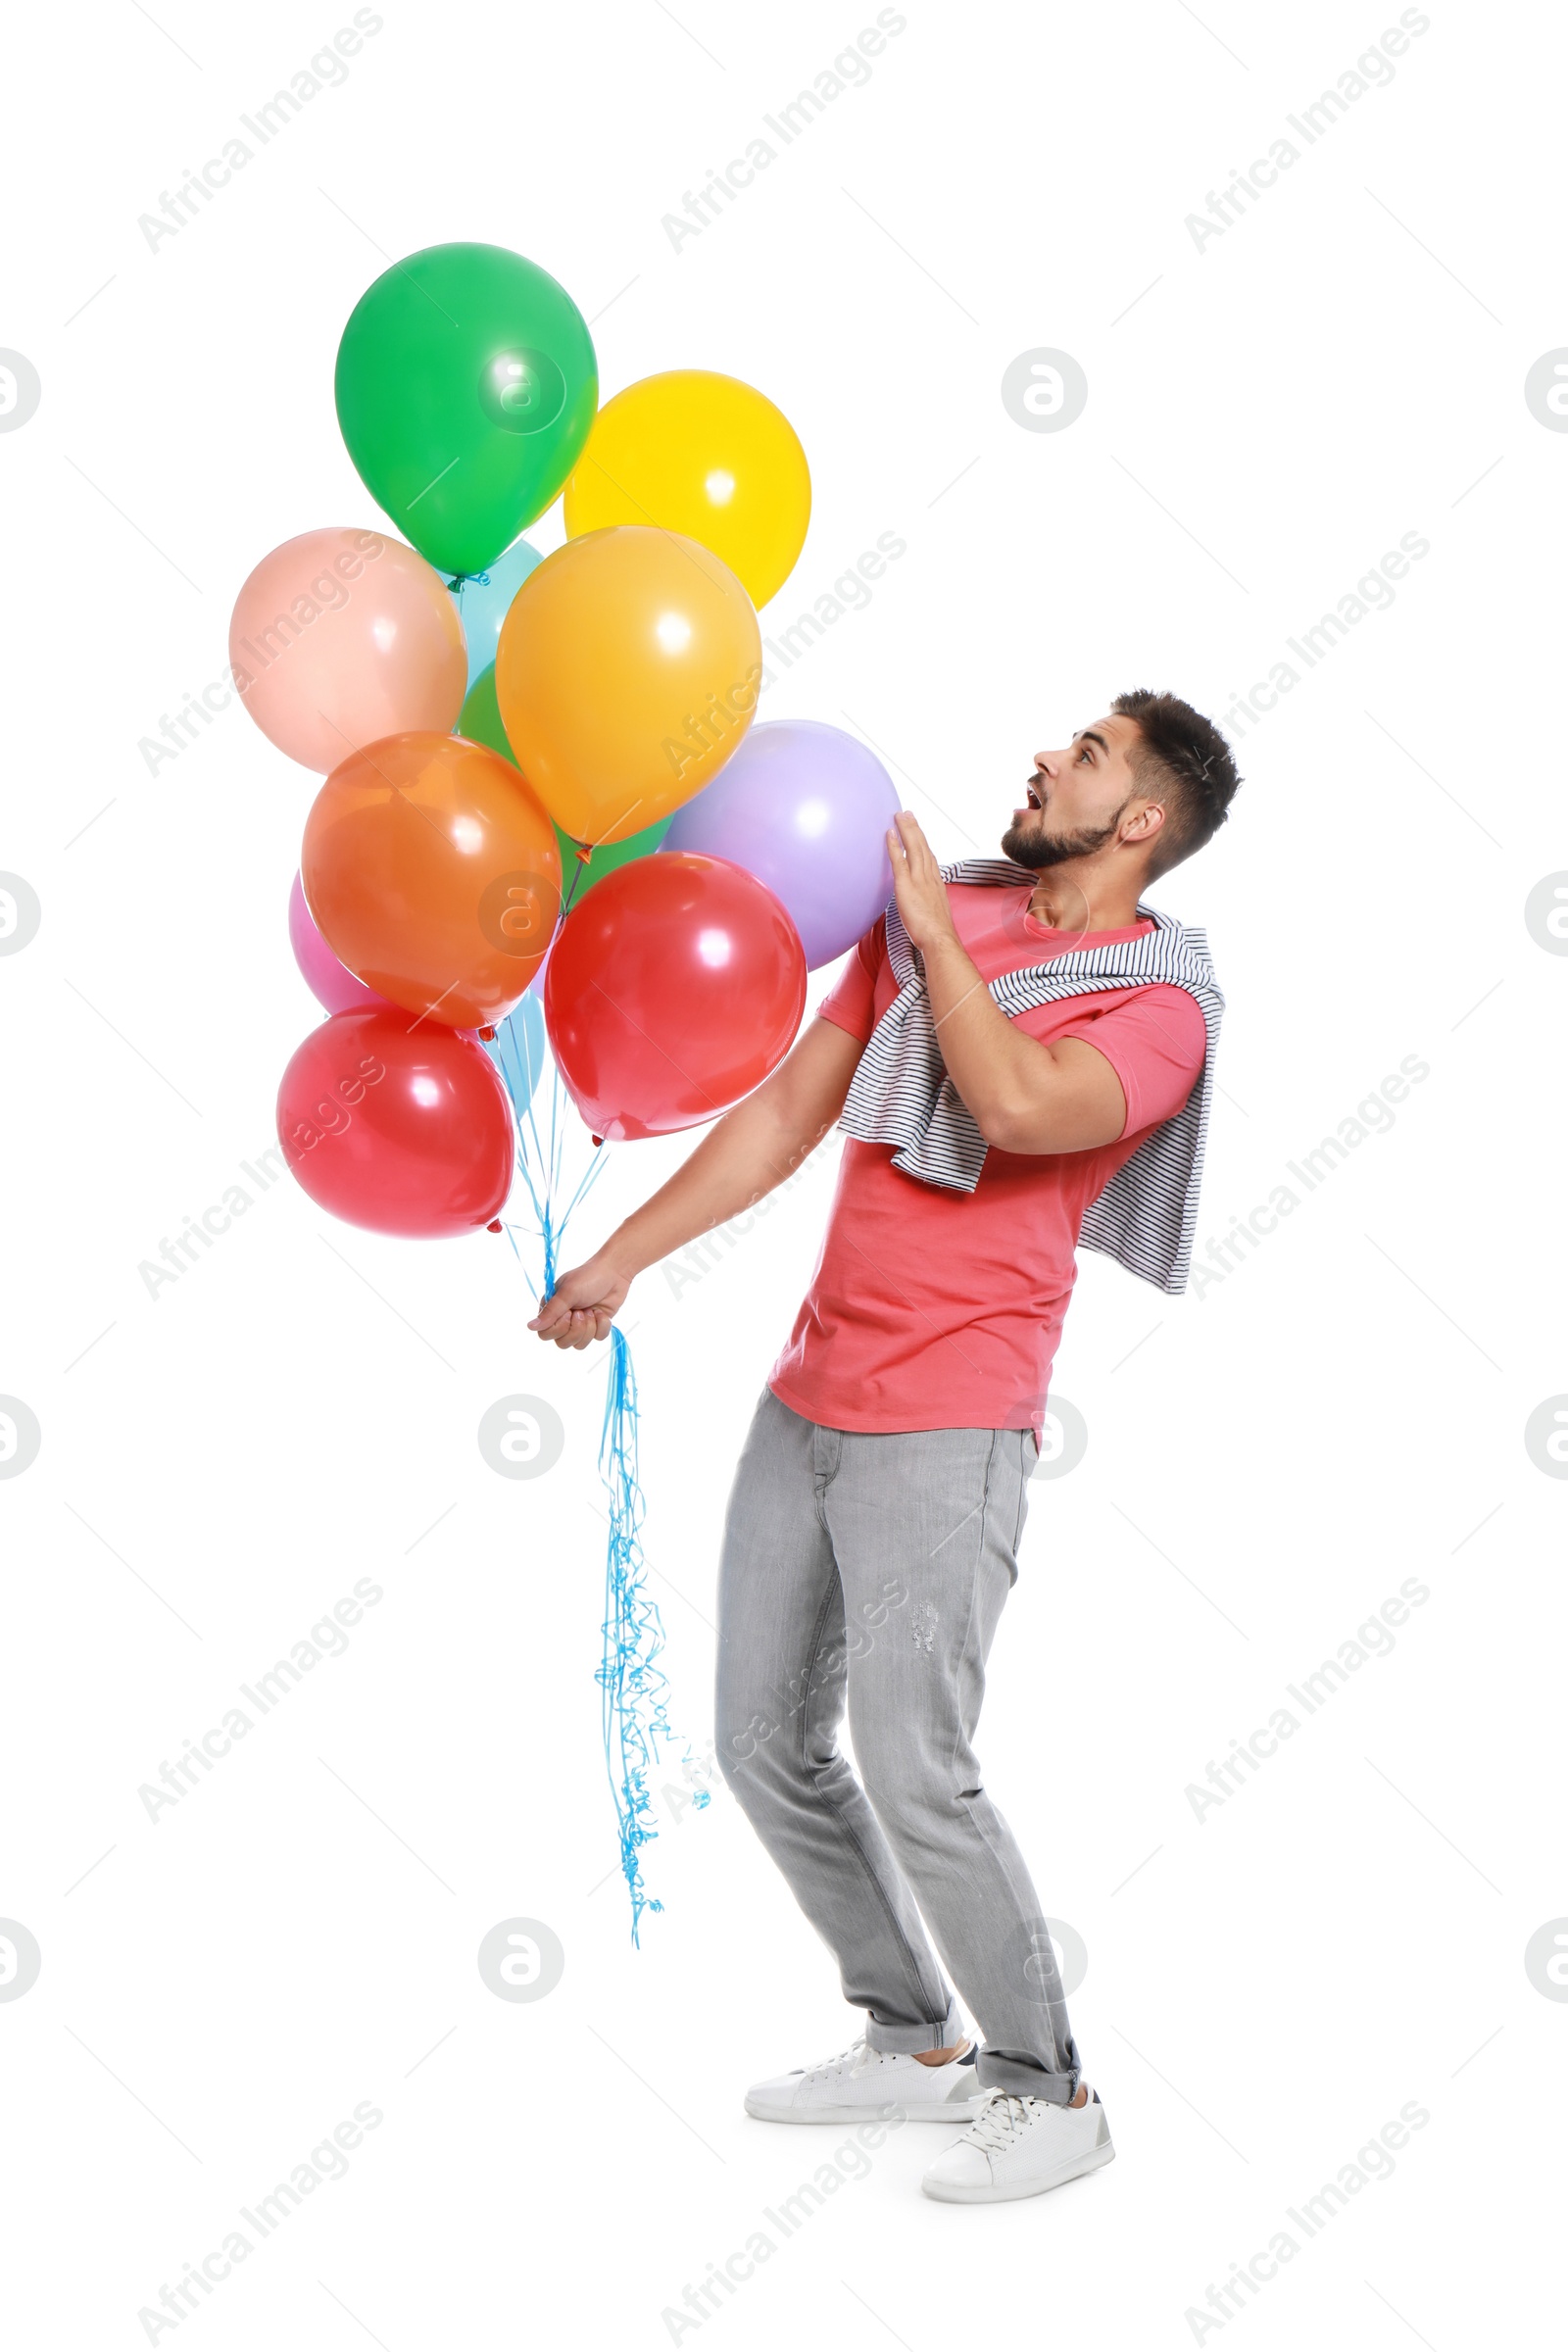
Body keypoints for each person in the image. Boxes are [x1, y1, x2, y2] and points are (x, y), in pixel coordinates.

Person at [530, 688, 1239, 2203]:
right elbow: (790, 1112)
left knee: (917, 1763)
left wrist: (932, 943)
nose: (1046, 752)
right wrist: (622, 1257)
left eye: (1090, 753)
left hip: (954, 1418)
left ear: (1142, 825)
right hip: (813, 1394)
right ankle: (911, 2036)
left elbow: (1020, 1104)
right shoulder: (937, 924)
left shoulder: (1162, 1004)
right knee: (761, 1741)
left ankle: (1048, 2086)